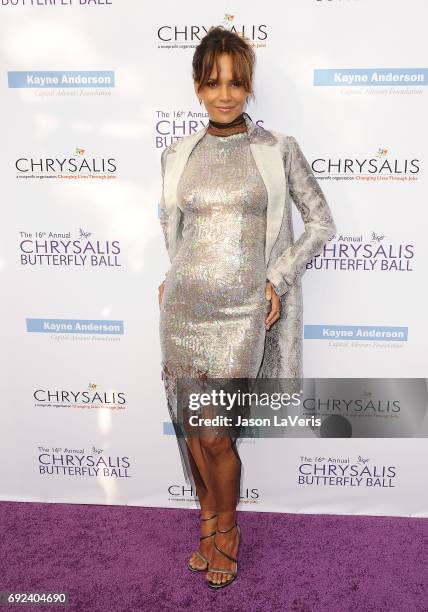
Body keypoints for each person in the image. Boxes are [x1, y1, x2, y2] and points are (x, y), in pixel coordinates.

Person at [158, 26, 337, 589]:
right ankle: (206, 523)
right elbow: (176, 228)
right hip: (185, 308)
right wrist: (171, 276)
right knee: (191, 429)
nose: (225, 94)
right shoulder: (176, 154)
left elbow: (322, 224)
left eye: (235, 82)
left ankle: (229, 530)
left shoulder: (276, 149)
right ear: (196, 87)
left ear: (249, 84)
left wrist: (277, 279)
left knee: (216, 435)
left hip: (241, 314)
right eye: (213, 83)